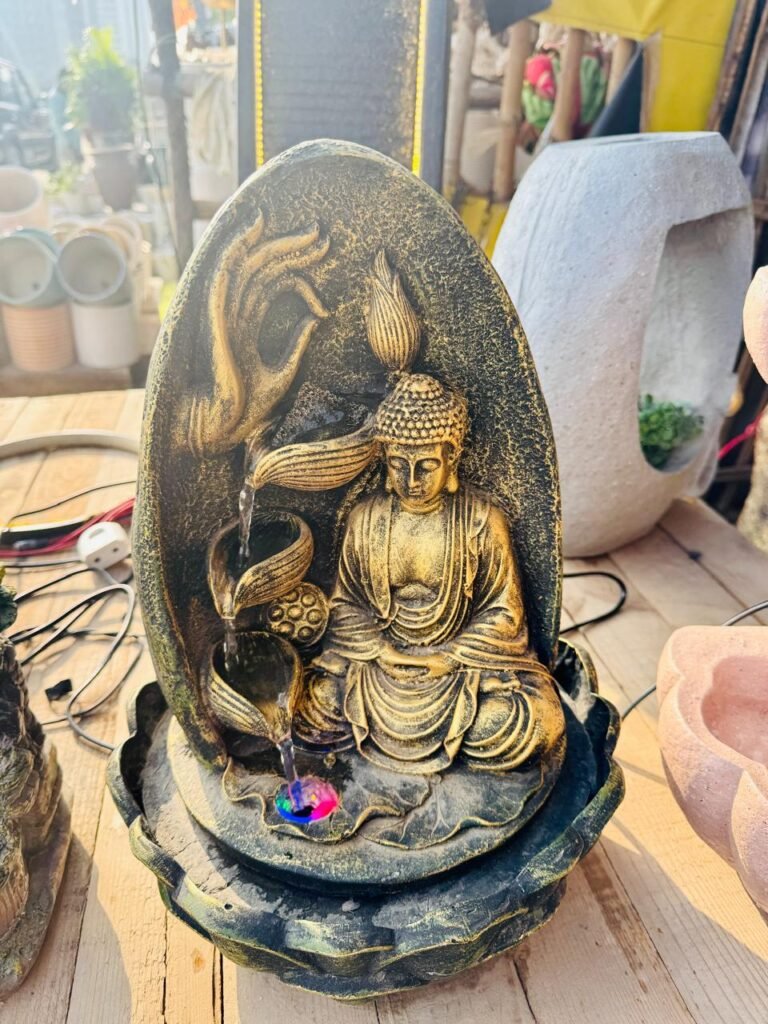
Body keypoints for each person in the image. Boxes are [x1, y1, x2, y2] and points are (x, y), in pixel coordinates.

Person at [296, 373, 565, 774]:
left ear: (451, 458)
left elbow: (504, 613)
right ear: (385, 460)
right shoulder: (365, 519)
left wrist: (449, 657)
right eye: (398, 465)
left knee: (529, 723)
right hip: (377, 670)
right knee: (314, 703)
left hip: (460, 672)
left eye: (426, 466)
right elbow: (346, 606)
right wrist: (381, 651)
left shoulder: (481, 520)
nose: (411, 481)